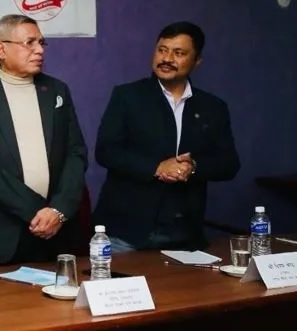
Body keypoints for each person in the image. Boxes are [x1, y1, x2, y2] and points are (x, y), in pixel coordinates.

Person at [0, 14, 88, 266]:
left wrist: (58, 210)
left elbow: (76, 153)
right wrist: (37, 209)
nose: (39, 50)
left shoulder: (57, 90)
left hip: (55, 233)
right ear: (1, 50)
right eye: (29, 43)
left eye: (41, 42)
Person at [93, 22, 240, 251]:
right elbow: (106, 151)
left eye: (178, 53)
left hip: (184, 233)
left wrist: (193, 167)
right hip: (126, 232)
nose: (167, 58)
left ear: (197, 61)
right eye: (162, 50)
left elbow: (229, 164)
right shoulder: (127, 96)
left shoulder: (213, 107)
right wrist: (157, 167)